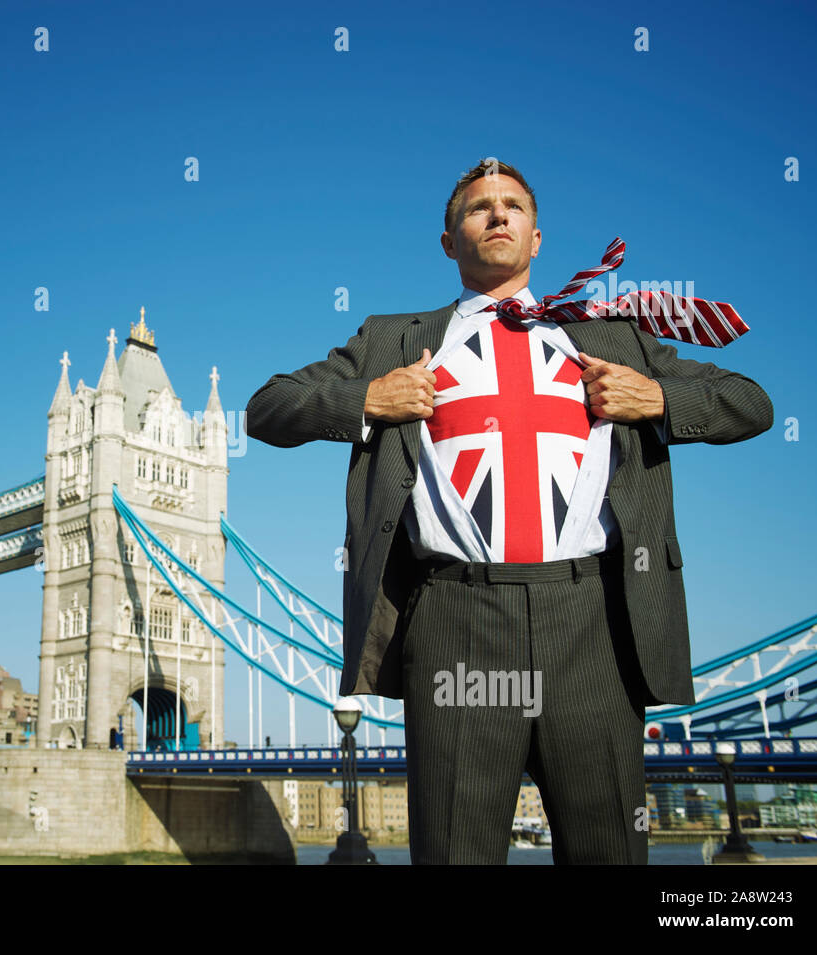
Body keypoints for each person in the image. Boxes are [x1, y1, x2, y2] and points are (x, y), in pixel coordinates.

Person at [244, 159, 773, 864]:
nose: (497, 216)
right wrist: (367, 398)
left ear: (536, 237)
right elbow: (265, 407)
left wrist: (662, 400)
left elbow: (752, 401)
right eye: (478, 207)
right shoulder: (391, 338)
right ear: (448, 241)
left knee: (611, 847)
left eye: (513, 206)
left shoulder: (610, 336)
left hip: (594, 623)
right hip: (454, 619)